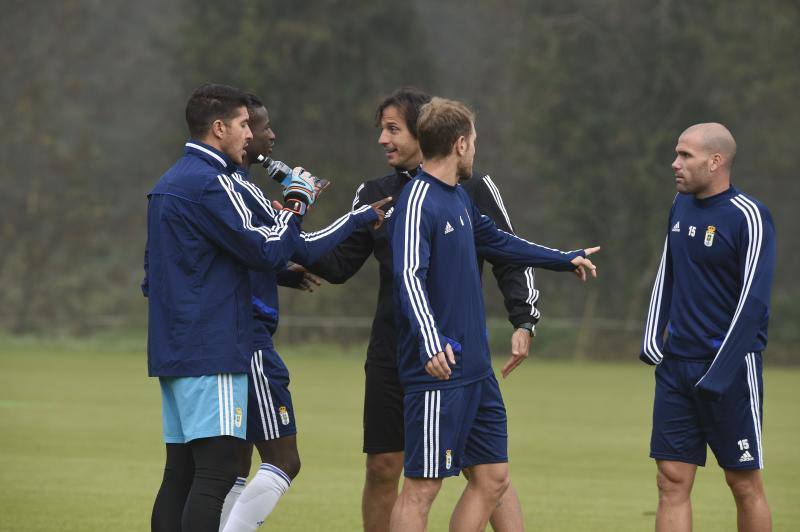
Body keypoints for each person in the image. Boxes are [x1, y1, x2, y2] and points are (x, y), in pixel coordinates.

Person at [307, 87, 538, 531]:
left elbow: (511, 253)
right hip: (394, 352)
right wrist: (285, 246)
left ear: (424, 132)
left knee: (486, 472)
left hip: (453, 354)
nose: (383, 140)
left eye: (393, 129)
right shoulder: (375, 195)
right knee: (383, 468)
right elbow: (337, 266)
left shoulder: (470, 188)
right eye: (381, 130)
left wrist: (524, 317)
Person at [388, 97, 599, 532]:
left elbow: (503, 243)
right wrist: (430, 340)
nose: (476, 151)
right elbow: (408, 275)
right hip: (438, 369)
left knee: (493, 478)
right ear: (461, 143)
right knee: (422, 488)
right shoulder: (416, 200)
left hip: (476, 369)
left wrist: (565, 258)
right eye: (475, 142)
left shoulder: (461, 199)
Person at [144, 83, 325, 532]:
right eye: (244, 124)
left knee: (181, 475)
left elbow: (154, 278)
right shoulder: (214, 181)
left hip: (173, 350)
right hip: (214, 349)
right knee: (218, 473)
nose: (250, 133)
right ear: (219, 127)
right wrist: (298, 202)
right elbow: (266, 251)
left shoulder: (168, 183)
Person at [219, 93, 390, 532]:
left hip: (223, 339)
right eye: (260, 126)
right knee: (284, 460)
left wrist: (280, 273)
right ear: (233, 130)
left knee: (234, 465)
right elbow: (304, 246)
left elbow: (246, 256)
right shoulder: (237, 189)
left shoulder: (233, 188)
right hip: (249, 342)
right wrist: (348, 216)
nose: (271, 134)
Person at [640, 123, 775, 532]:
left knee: (743, 483)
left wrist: (720, 371)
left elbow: (753, 305)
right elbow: (668, 274)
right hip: (677, 367)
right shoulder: (679, 207)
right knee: (671, 480)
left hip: (729, 371)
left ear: (716, 162)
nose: (674, 164)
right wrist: (652, 334)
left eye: (685, 156)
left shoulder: (749, 216)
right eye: (676, 154)